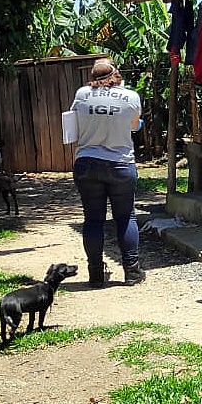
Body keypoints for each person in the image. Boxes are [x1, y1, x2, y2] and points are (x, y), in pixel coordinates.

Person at [70, 58, 144, 287]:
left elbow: (73, 123)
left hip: (87, 162)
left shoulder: (82, 94)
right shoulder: (131, 97)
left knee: (93, 219)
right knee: (125, 218)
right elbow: (134, 125)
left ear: (93, 76)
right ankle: (132, 272)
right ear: (117, 74)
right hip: (120, 164)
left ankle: (95, 274)